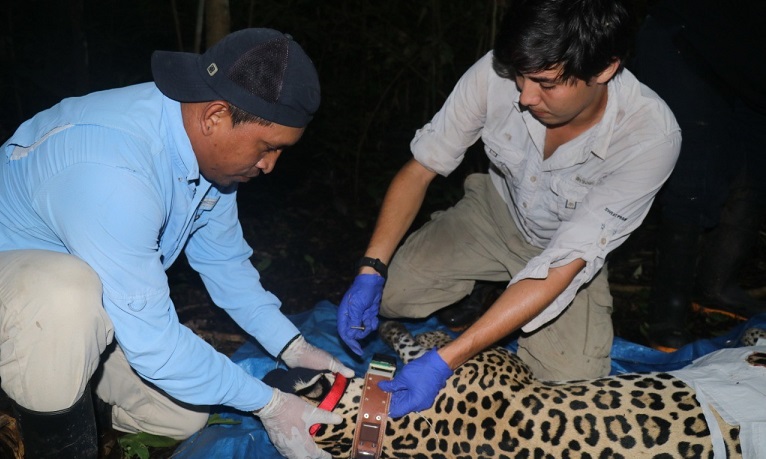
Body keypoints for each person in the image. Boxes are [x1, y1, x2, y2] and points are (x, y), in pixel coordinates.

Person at [0, 28, 353, 459]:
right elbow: (154, 344)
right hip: (27, 294)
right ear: (216, 117)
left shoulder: (207, 159)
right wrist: (272, 404)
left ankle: (48, 393)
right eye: (267, 148)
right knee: (65, 293)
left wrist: (293, 346)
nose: (269, 166)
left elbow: (225, 264)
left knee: (180, 416)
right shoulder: (115, 170)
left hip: (76, 321)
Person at [337, 0, 681, 418]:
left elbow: (563, 264)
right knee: (391, 296)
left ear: (605, 69)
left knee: (570, 388)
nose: (524, 96)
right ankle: (481, 287)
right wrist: (371, 268)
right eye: (519, 77)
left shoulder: (649, 137)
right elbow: (421, 168)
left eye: (545, 83)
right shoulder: (498, 71)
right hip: (494, 213)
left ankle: (495, 301)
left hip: (565, 253)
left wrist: (445, 361)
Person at [631, 0, 766, 351]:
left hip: (752, 66)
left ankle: (716, 287)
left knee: (755, 170)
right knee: (691, 174)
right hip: (687, 38)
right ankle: (666, 315)